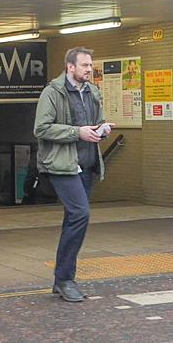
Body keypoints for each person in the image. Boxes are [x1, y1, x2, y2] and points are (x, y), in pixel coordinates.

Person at [34, 46, 114, 302]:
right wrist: (76, 132)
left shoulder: (92, 92)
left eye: (90, 65)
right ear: (70, 67)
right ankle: (66, 279)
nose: (89, 69)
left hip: (86, 165)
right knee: (80, 214)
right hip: (62, 166)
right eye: (84, 65)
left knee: (74, 218)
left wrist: (102, 129)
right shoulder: (52, 93)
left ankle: (61, 279)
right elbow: (41, 128)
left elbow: (96, 122)